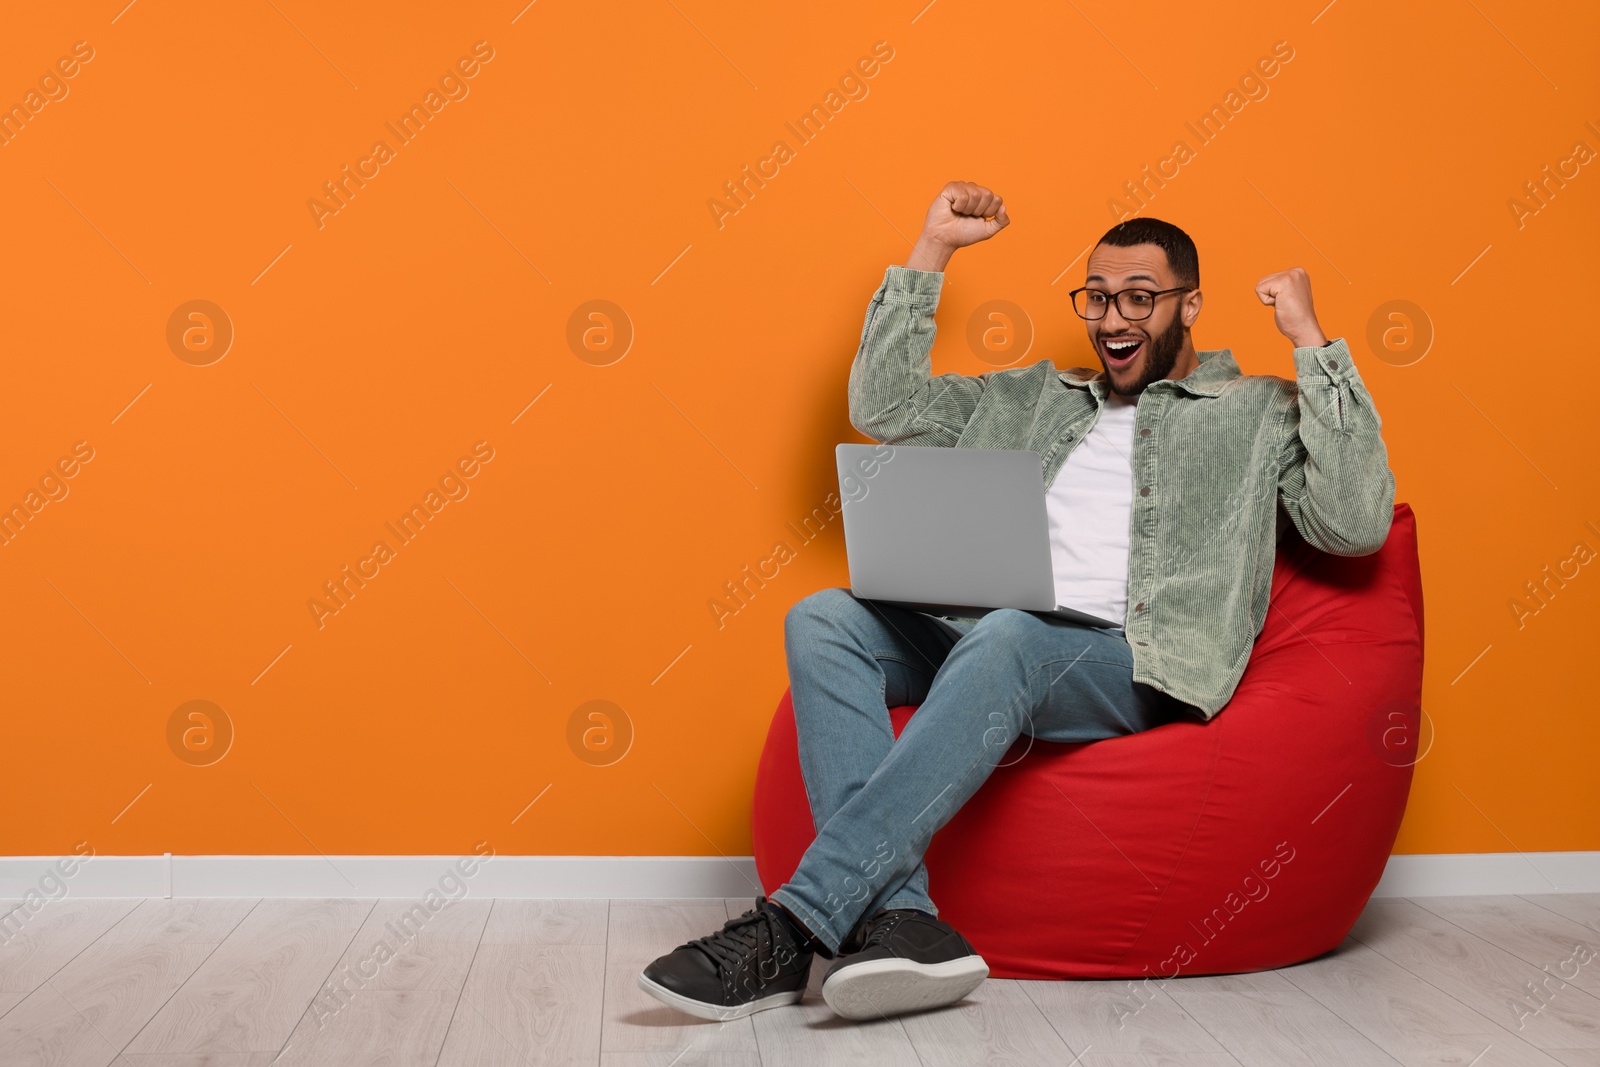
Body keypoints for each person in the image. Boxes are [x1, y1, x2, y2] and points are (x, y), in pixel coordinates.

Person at [638, 180, 1396, 1022]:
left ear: (1191, 305)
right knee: (824, 617)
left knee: (1009, 635)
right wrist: (933, 247)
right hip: (990, 639)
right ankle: (905, 923)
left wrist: (1311, 341)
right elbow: (880, 408)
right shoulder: (1030, 393)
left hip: (1135, 660)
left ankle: (793, 924)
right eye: (1098, 297)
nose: (1113, 320)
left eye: (1140, 299)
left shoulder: (1254, 410)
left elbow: (1355, 523)